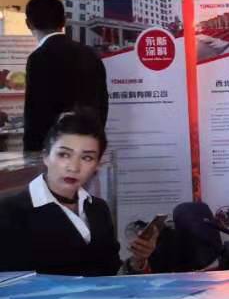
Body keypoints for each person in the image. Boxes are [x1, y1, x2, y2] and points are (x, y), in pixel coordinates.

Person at [0, 111, 158, 276]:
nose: (74, 167)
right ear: (45, 156)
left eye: (87, 158)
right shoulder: (9, 211)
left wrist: (138, 260)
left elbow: (112, 275)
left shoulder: (98, 208)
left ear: (97, 164)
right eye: (64, 155)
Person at [21, 0, 108, 152]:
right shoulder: (90, 54)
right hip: (89, 146)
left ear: (28, 23)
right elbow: (102, 103)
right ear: (64, 20)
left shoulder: (38, 58)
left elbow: (36, 112)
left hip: (55, 150)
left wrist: (31, 151)